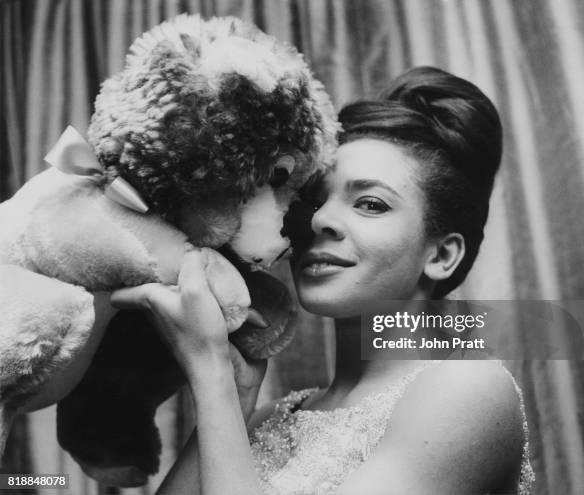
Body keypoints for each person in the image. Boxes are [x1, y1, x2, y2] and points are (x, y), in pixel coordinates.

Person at [111, 66, 534, 494]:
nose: (319, 219)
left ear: (442, 255)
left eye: (370, 204)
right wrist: (234, 398)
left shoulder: (468, 390)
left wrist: (210, 369)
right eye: (313, 199)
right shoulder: (265, 417)